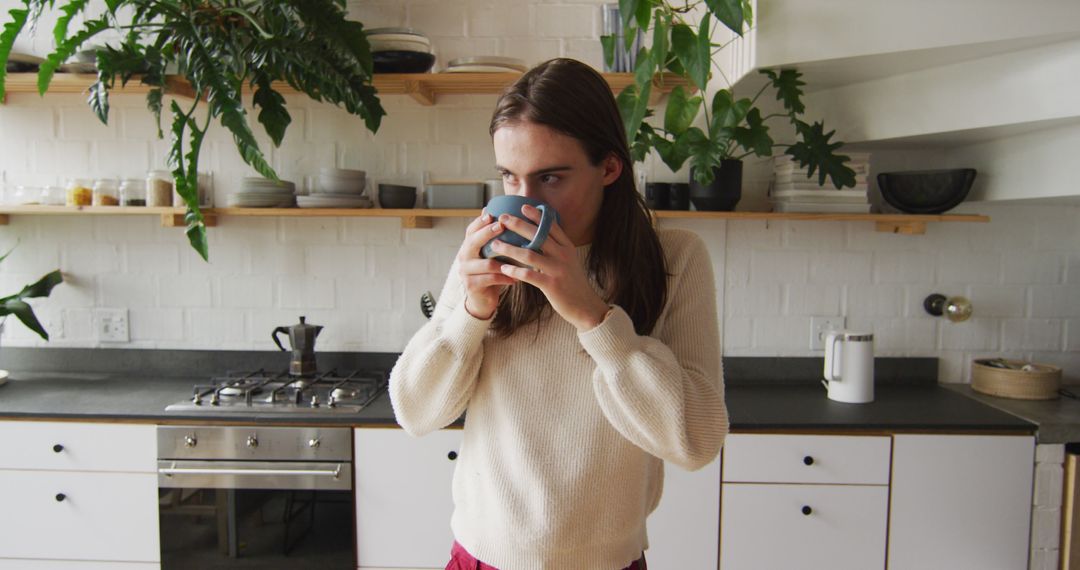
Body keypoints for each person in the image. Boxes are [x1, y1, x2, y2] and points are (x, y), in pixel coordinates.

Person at [389, 58, 728, 570]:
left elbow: (698, 442)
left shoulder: (674, 259)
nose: (524, 203)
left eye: (550, 177)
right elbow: (415, 413)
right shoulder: (487, 251)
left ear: (609, 167)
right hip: (484, 557)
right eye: (509, 175)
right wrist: (471, 311)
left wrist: (593, 316)